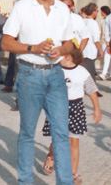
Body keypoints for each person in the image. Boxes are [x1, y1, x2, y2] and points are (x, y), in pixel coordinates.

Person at [2, 0, 75, 185]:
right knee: (27, 133)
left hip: (55, 75)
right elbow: (6, 43)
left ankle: (65, 182)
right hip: (29, 74)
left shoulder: (63, 9)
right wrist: (33, 47)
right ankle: (25, 181)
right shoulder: (22, 6)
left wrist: (60, 50)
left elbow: (69, 44)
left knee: (62, 133)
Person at [41, 47, 102, 185]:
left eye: (60, 56)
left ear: (68, 57)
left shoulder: (82, 72)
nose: (57, 58)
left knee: (74, 141)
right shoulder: (56, 70)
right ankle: (51, 155)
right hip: (58, 106)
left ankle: (73, 172)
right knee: (58, 137)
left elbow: (91, 90)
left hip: (76, 107)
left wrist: (97, 109)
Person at [80, 3, 103, 81]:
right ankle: (93, 90)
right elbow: (96, 39)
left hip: (83, 50)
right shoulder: (93, 23)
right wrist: (100, 50)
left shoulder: (82, 21)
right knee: (91, 72)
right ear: (93, 12)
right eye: (97, 11)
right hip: (90, 51)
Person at [98, 5, 111, 80]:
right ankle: (109, 73)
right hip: (103, 41)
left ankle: (104, 73)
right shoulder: (102, 21)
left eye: (101, 11)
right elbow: (101, 32)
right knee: (106, 57)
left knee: (108, 56)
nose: (100, 13)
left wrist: (109, 43)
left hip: (109, 41)